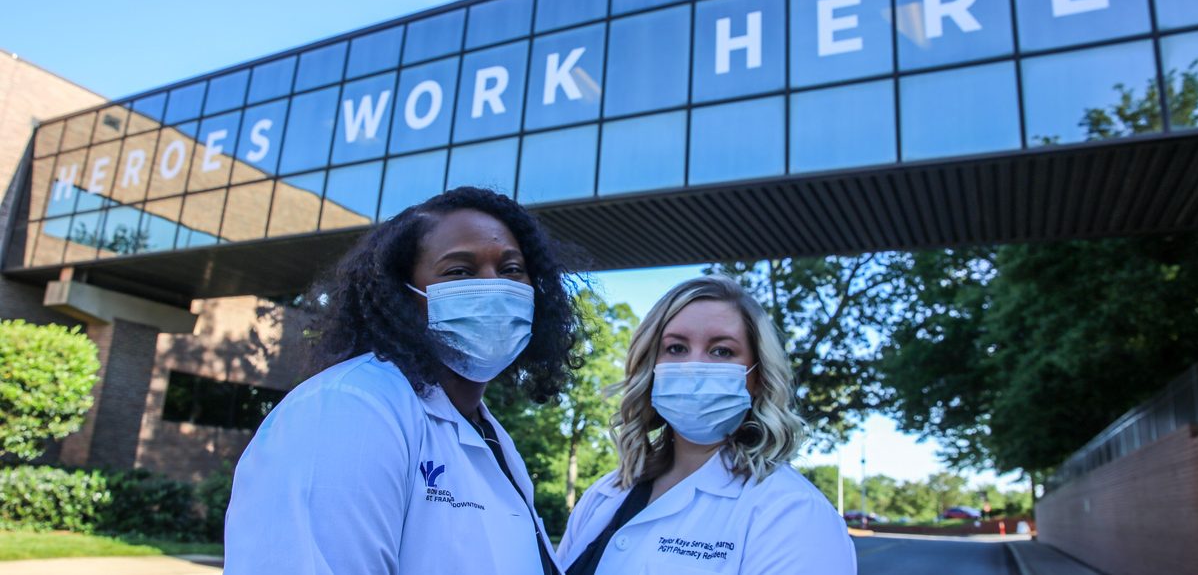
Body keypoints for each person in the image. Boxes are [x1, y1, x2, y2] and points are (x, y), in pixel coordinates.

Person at [224, 187, 580, 575]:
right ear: (403, 295)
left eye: (512, 269)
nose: (495, 287)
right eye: (458, 271)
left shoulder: (489, 436)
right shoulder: (348, 407)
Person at [557, 275, 857, 574]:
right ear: (651, 366)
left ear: (757, 378)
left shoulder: (793, 511)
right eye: (676, 348)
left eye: (722, 351)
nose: (692, 367)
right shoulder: (606, 493)